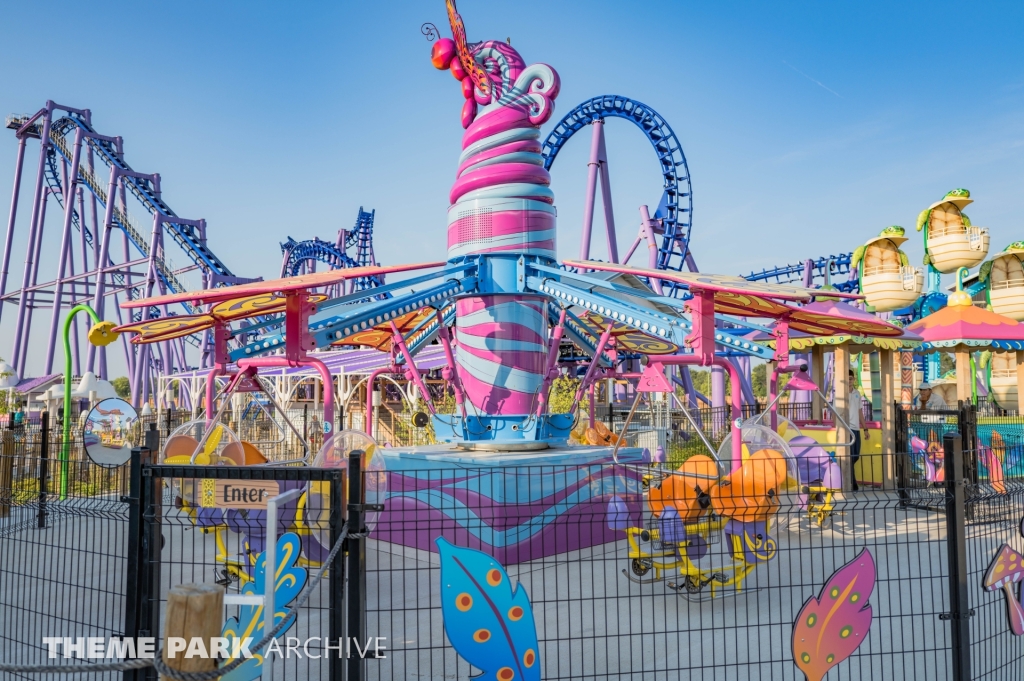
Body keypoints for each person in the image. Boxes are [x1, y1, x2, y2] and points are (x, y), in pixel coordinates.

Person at [846, 370, 863, 492]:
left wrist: (865, 428)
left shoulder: (857, 394)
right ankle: (852, 482)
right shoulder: (840, 394)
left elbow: (860, 412)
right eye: (847, 378)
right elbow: (835, 413)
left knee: (855, 456)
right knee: (850, 456)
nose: (849, 381)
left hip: (856, 428)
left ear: (854, 379)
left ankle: (851, 480)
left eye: (851, 378)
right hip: (847, 428)